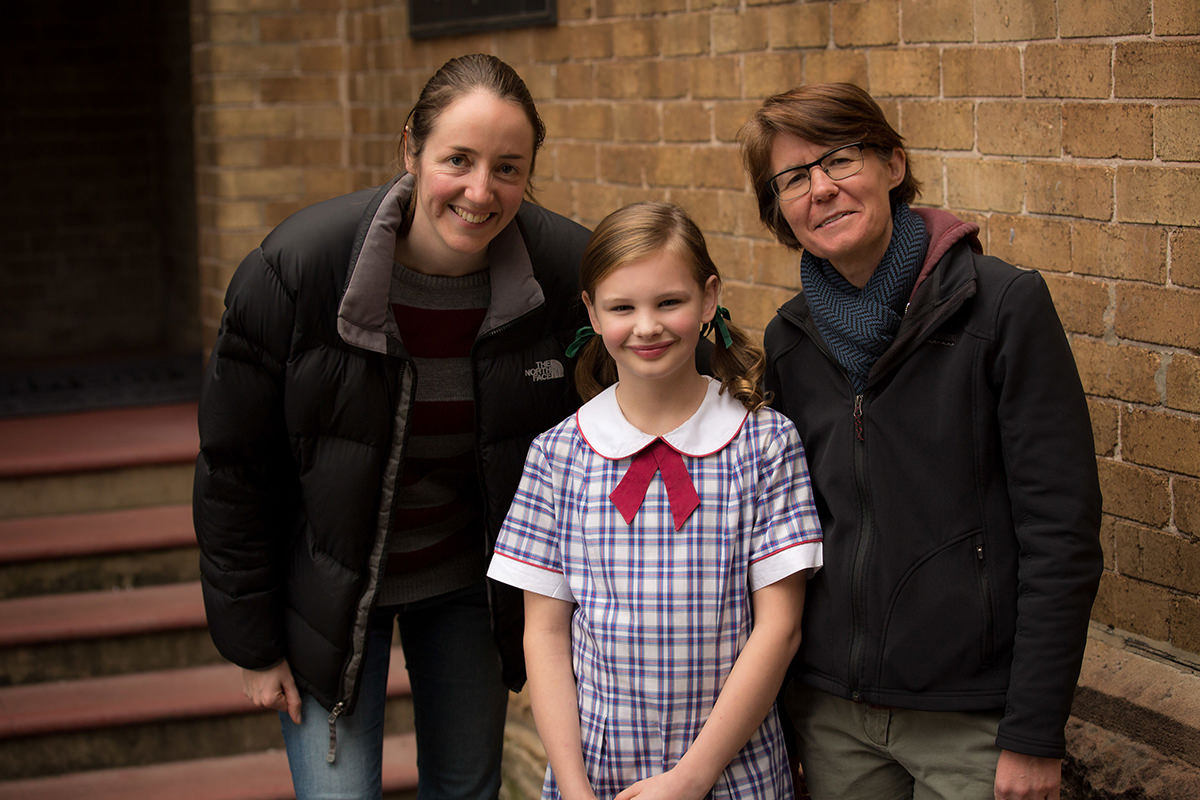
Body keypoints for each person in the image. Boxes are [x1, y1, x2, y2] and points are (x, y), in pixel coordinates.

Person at [193, 53, 592, 800]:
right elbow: (234, 469)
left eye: (508, 167)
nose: (481, 191)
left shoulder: (564, 270)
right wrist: (251, 644)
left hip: (470, 585)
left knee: (466, 788)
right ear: (410, 148)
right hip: (327, 593)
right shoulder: (298, 270)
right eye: (458, 160)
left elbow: (658, 356)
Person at [738, 83, 1104, 800]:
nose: (822, 189)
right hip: (832, 715)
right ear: (778, 208)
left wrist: (1034, 731)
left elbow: (1061, 532)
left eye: (840, 160)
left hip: (971, 721)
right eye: (794, 177)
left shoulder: (1001, 308)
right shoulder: (789, 339)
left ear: (893, 165)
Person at [486, 201, 824, 800]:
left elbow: (780, 628)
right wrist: (573, 787)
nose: (647, 326)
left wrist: (692, 778)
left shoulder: (764, 443)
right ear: (591, 311)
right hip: (595, 776)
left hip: (731, 775)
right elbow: (543, 635)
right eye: (622, 307)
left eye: (669, 302)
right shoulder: (557, 455)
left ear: (708, 299)